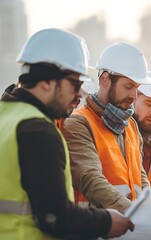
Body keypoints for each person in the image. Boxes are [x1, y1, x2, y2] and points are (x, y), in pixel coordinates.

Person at [0, 28, 133, 239]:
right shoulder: (38, 130)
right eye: (75, 83)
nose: (80, 93)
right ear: (46, 82)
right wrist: (106, 222)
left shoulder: (6, 116)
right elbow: (54, 216)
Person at [62, 42, 151, 214]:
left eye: (137, 88)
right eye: (128, 86)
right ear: (105, 80)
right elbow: (90, 179)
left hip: (131, 229)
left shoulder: (131, 126)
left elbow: (140, 178)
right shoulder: (78, 123)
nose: (133, 96)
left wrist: (150, 210)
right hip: (97, 229)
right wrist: (134, 214)